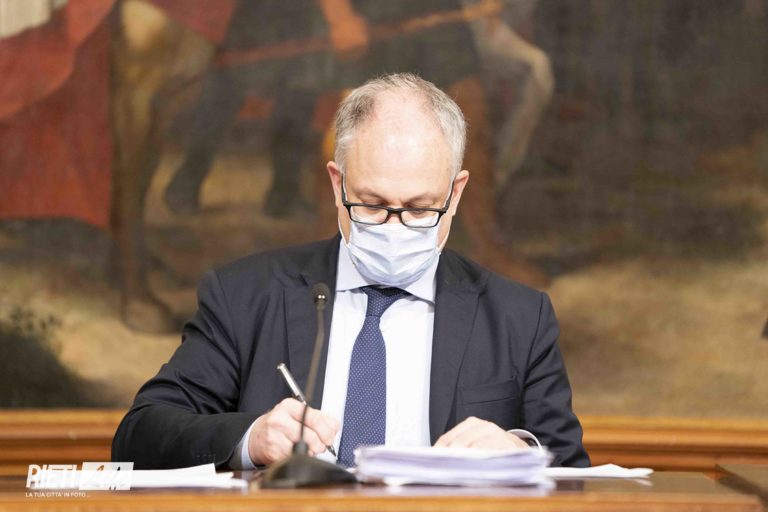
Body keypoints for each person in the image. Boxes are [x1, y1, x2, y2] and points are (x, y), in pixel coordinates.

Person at [112, 73, 590, 469]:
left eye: (421, 209)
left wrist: (519, 452)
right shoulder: (245, 296)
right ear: (337, 183)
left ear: (456, 192)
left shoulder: (518, 317)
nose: (396, 227)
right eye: (373, 204)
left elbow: (572, 470)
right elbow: (139, 435)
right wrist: (251, 437)